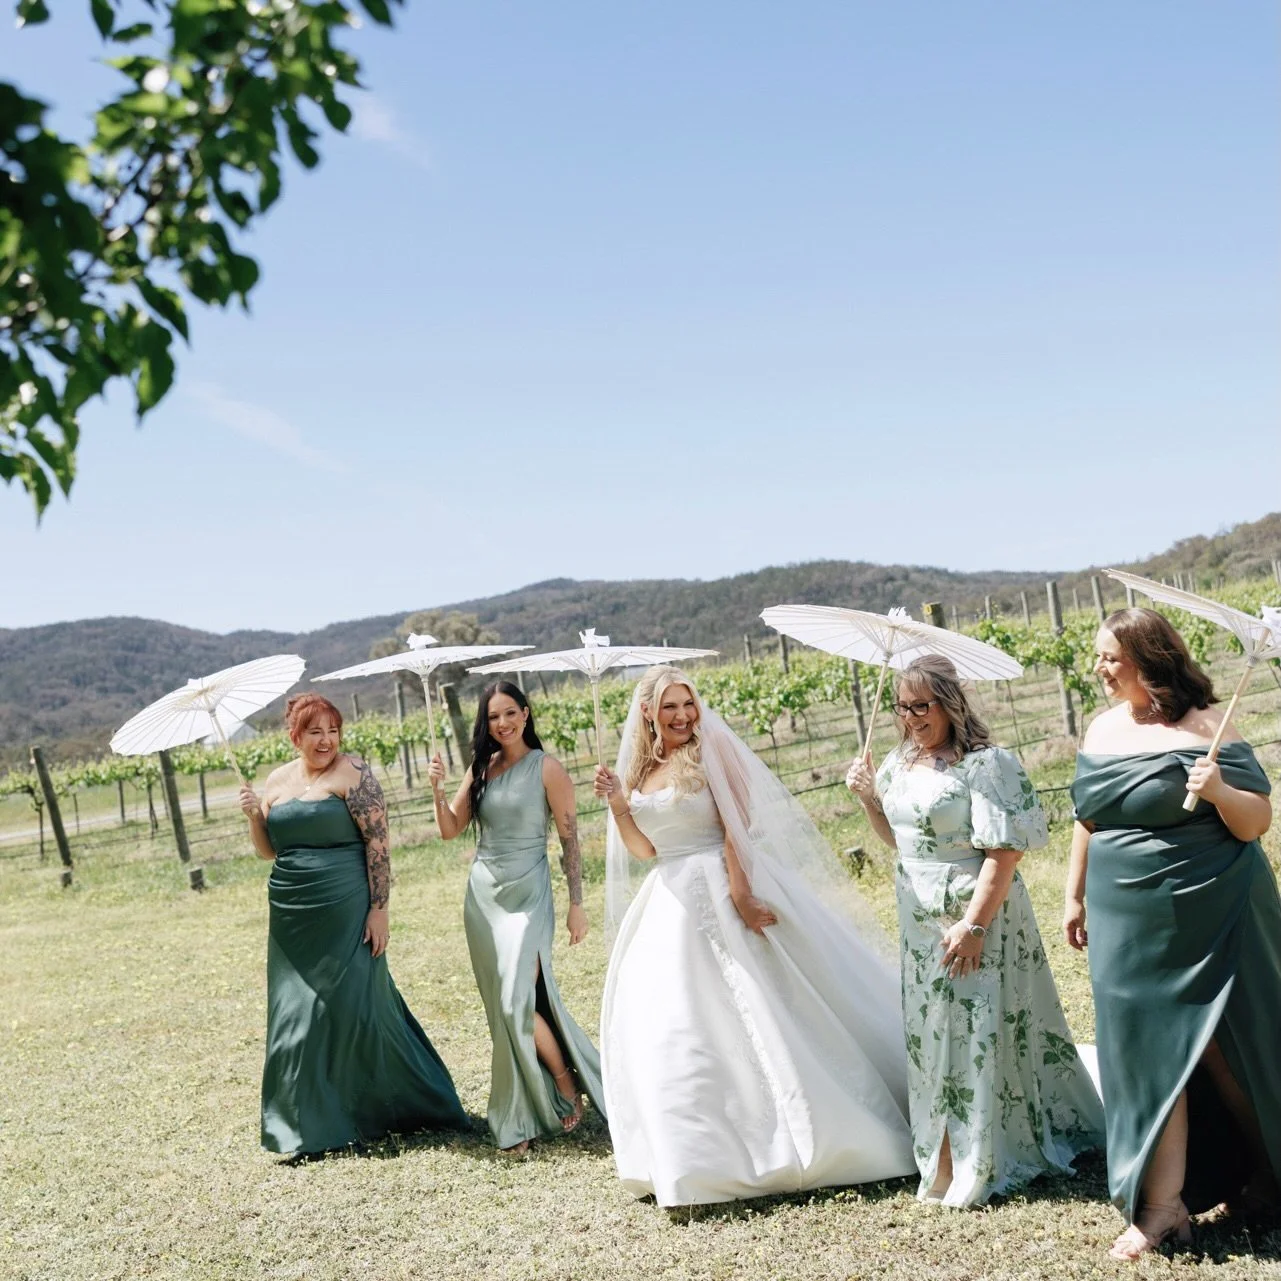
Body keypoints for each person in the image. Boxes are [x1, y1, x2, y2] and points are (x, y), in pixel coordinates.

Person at [594, 665, 915, 1207]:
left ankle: (812, 1130)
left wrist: (741, 895)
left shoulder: (712, 749)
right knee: (681, 1024)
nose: (682, 716)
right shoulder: (639, 768)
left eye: (688, 704)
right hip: (667, 899)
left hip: (724, 882)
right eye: (670, 707)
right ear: (648, 712)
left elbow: (737, 830)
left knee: (766, 1005)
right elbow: (646, 851)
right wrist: (619, 806)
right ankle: (698, 1153)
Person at [846, 654, 1102, 1208]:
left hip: (979, 913)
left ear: (950, 703)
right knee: (933, 1032)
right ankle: (940, 1150)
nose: (911, 717)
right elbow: (899, 841)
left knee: (975, 1028)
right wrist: (869, 797)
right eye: (902, 706)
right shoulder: (897, 761)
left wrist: (975, 926)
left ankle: (975, 1154)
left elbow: (1004, 852)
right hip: (919, 920)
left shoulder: (986, 765)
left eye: (922, 705)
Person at [1068, 608, 1280, 1260]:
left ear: (1149, 659)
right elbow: (1087, 816)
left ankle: (1270, 1176)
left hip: (1217, 903)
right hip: (1124, 918)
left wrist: (1217, 788)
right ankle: (1161, 1209)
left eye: (1110, 657)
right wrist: (1072, 892)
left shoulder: (1208, 727)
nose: (1099, 669)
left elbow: (1255, 822)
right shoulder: (1101, 727)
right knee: (1143, 1053)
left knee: (1227, 1046)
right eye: (1099, 656)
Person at [240, 692, 467, 1156]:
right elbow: (268, 850)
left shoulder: (355, 773)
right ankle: (304, 1125)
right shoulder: (277, 780)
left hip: (347, 905)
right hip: (292, 913)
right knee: (295, 1011)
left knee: (358, 1005)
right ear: (294, 736)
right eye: (315, 732)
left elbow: (379, 845)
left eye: (333, 730)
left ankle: (402, 1106)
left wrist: (379, 909)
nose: (326, 740)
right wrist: (251, 817)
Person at [430, 681, 604, 1153]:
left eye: (510, 713)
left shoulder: (547, 768)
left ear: (526, 714)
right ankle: (520, 1115)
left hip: (529, 895)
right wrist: (437, 790)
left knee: (518, 1002)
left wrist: (576, 903)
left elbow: (570, 839)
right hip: (483, 898)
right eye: (493, 717)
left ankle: (565, 1084)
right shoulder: (481, 769)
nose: (502, 723)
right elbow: (450, 830)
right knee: (502, 1010)